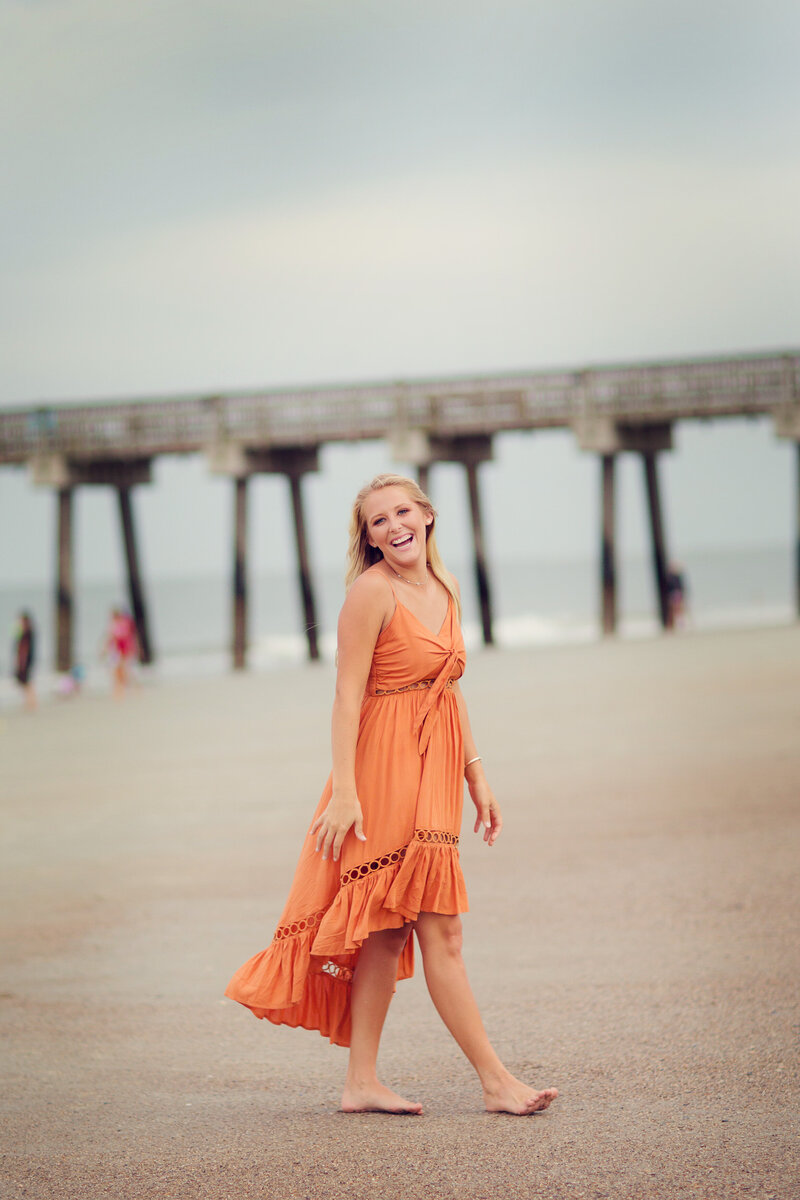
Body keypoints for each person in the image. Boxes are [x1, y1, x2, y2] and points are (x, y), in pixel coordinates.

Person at [225, 474, 558, 1116]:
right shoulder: (370, 594)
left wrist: (476, 775)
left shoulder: (447, 585)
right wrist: (345, 792)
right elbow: (348, 695)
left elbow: (447, 689)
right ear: (368, 537)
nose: (392, 527)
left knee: (385, 931)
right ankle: (495, 1081)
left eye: (401, 512)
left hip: (435, 773)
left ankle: (361, 1083)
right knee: (439, 931)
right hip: (381, 774)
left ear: (427, 516)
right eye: (377, 522)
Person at [105, 608, 137, 698]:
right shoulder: (119, 624)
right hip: (119, 650)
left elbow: (115, 638)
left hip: (120, 650)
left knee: (120, 671)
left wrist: (106, 649)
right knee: (121, 671)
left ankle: (121, 691)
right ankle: (123, 690)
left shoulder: (119, 625)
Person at [13, 611, 37, 711]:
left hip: (25, 661)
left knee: (26, 682)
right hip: (29, 660)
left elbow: (24, 649)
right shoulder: (30, 631)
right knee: (27, 682)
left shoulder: (27, 632)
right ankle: (30, 702)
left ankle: (31, 702)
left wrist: (21, 663)